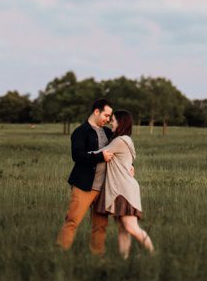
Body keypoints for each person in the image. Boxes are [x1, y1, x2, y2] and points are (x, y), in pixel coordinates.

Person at [55, 99, 116, 254]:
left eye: (110, 117)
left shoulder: (108, 132)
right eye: (106, 115)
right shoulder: (80, 131)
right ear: (96, 111)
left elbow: (120, 152)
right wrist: (100, 156)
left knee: (100, 225)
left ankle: (97, 257)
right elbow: (77, 155)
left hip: (104, 188)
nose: (108, 119)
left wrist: (131, 166)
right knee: (72, 221)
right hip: (84, 186)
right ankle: (59, 255)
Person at [95, 110, 154, 258]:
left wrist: (82, 154)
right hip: (121, 189)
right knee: (122, 229)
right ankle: (124, 259)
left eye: (113, 120)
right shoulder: (125, 140)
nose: (111, 122)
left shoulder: (120, 141)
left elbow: (98, 154)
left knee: (131, 227)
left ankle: (153, 254)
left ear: (120, 122)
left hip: (123, 190)